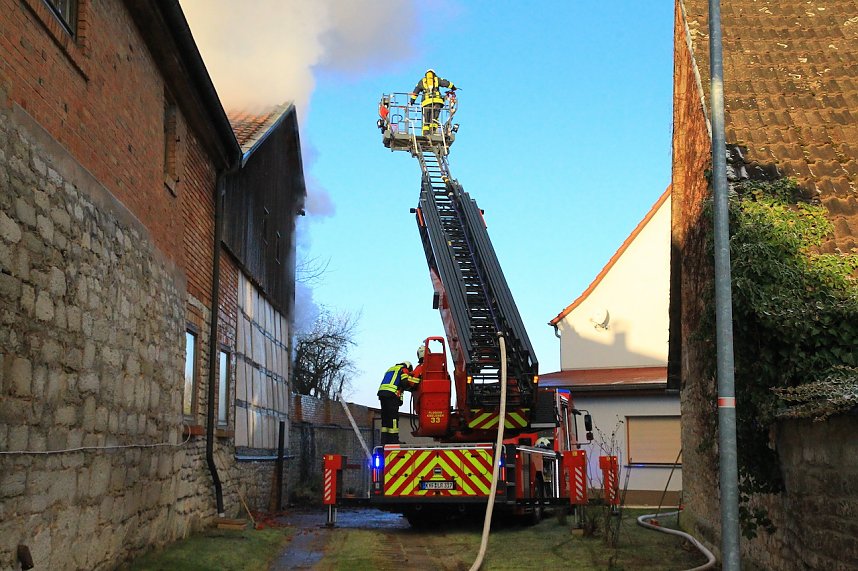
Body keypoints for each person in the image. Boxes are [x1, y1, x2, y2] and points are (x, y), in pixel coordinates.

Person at [377, 361, 419, 444]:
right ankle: (394, 440)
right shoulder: (403, 369)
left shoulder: (391, 369)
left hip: (382, 394)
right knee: (393, 418)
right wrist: (416, 381)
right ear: (408, 367)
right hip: (391, 395)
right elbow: (404, 382)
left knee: (385, 418)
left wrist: (400, 399)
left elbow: (398, 386)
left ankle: (384, 441)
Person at [409, 69, 455, 135]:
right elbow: (446, 83)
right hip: (437, 102)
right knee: (435, 118)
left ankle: (425, 133)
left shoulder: (422, 81)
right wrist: (453, 87)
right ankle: (433, 131)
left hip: (426, 103)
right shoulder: (437, 79)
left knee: (426, 120)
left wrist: (411, 102)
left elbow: (415, 92)